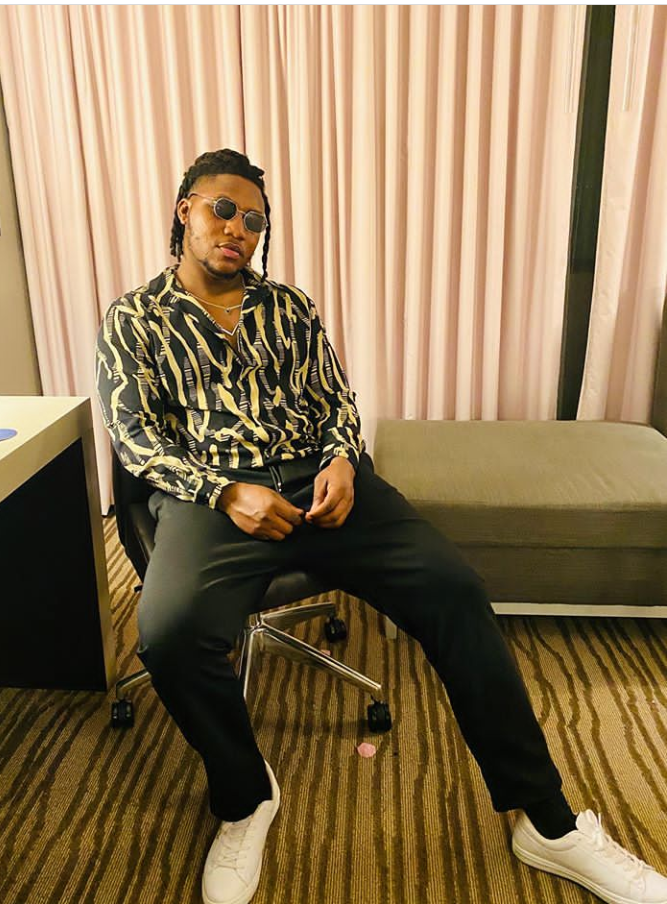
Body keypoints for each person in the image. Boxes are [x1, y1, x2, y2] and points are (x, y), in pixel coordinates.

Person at [96, 148, 667, 904]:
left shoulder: (289, 307)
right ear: (185, 211)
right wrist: (224, 490)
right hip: (215, 498)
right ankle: (245, 794)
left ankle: (549, 822)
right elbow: (133, 437)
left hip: (321, 481)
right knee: (169, 637)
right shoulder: (134, 318)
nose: (237, 228)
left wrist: (341, 457)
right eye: (222, 209)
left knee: (457, 591)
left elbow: (335, 398)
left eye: (254, 220)